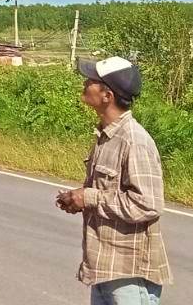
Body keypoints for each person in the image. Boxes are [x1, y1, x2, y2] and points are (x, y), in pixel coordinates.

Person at [55, 56, 171, 305]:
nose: (85, 84)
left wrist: (89, 197)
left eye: (92, 81)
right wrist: (79, 199)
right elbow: (107, 194)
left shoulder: (134, 140)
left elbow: (148, 204)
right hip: (105, 266)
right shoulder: (106, 136)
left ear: (107, 95)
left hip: (129, 274)